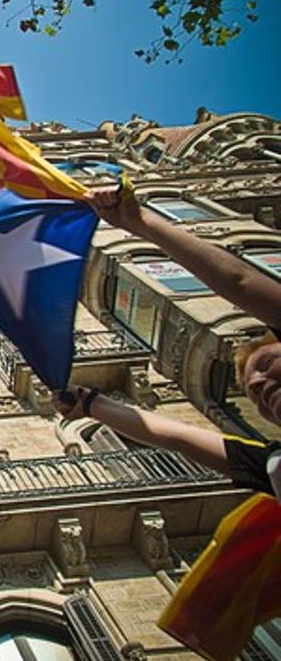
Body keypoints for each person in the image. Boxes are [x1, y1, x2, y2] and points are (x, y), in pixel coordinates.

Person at [53, 184, 281, 499]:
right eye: (252, 392)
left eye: (268, 363)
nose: (258, 381)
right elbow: (177, 438)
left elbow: (238, 281)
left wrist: (141, 223)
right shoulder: (271, 466)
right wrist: (92, 404)